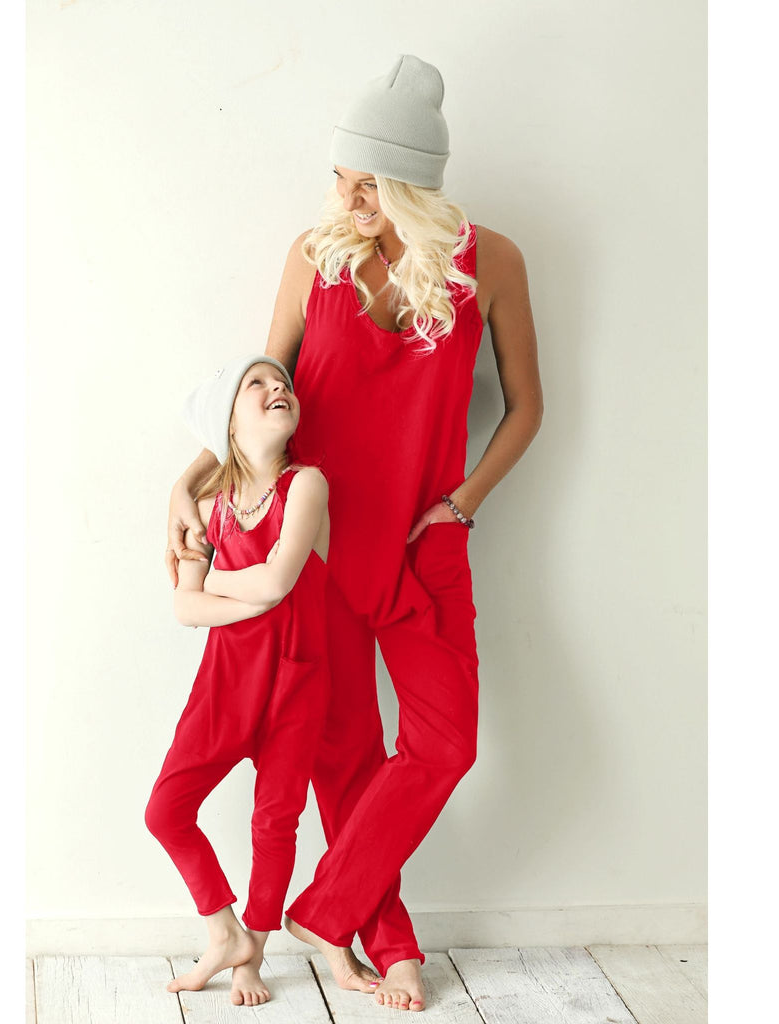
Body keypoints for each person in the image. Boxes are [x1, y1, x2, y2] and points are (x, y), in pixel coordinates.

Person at [166, 54, 543, 1013]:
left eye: (366, 182)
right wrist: (186, 480)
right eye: (340, 178)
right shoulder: (313, 254)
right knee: (349, 758)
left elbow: (528, 409)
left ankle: (324, 910)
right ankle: (392, 941)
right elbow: (261, 398)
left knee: (443, 744)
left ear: (413, 183)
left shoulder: (491, 262)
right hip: (316, 544)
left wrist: (463, 504)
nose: (346, 198)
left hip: (426, 543)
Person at [146, 354, 330, 1007]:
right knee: (166, 809)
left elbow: (278, 580)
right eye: (258, 383)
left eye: (282, 383)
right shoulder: (208, 506)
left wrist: (220, 583)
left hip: (295, 677)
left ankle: (254, 950)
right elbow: (184, 607)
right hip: (226, 682)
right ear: (226, 418)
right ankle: (222, 930)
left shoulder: (306, 484)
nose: (278, 388)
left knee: (275, 820)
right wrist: (249, 596)